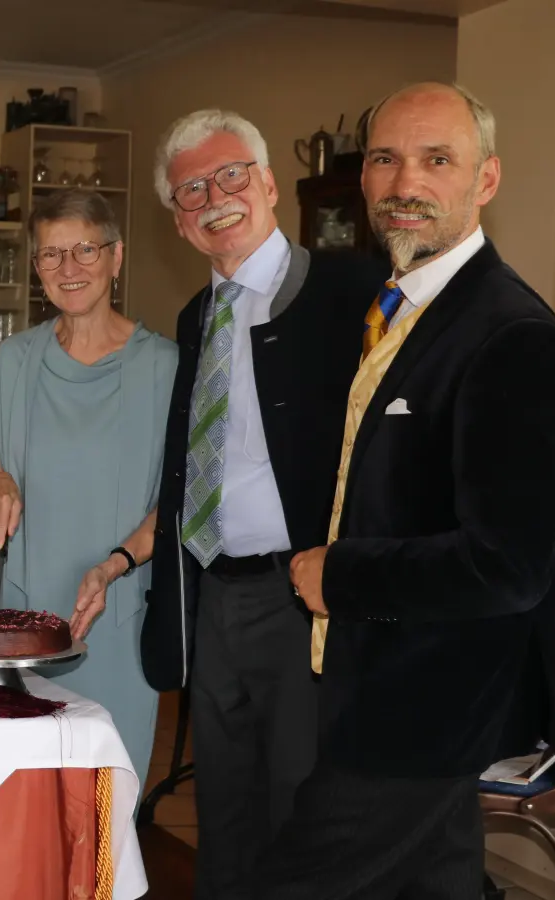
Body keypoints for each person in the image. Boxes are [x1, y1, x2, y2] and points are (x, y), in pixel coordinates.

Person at [251, 82, 555, 898]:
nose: (407, 184)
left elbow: (509, 566)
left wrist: (342, 574)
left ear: (487, 180)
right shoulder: (400, 307)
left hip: (428, 707)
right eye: (386, 160)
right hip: (379, 683)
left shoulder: (514, 338)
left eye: (438, 160)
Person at [139, 109, 386, 896]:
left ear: (270, 182)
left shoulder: (356, 293)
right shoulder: (194, 318)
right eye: (191, 191)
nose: (215, 196)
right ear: (179, 225)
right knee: (227, 813)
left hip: (305, 597)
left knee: (302, 813)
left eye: (231, 174)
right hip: (216, 593)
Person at [0, 188, 176, 778]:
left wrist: (114, 566)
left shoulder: (166, 366)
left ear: (117, 257)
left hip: (115, 612)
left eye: (85, 250)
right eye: (50, 255)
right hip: (22, 618)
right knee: (20, 796)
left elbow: (177, 507)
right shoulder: (14, 360)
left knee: (106, 805)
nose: (69, 269)